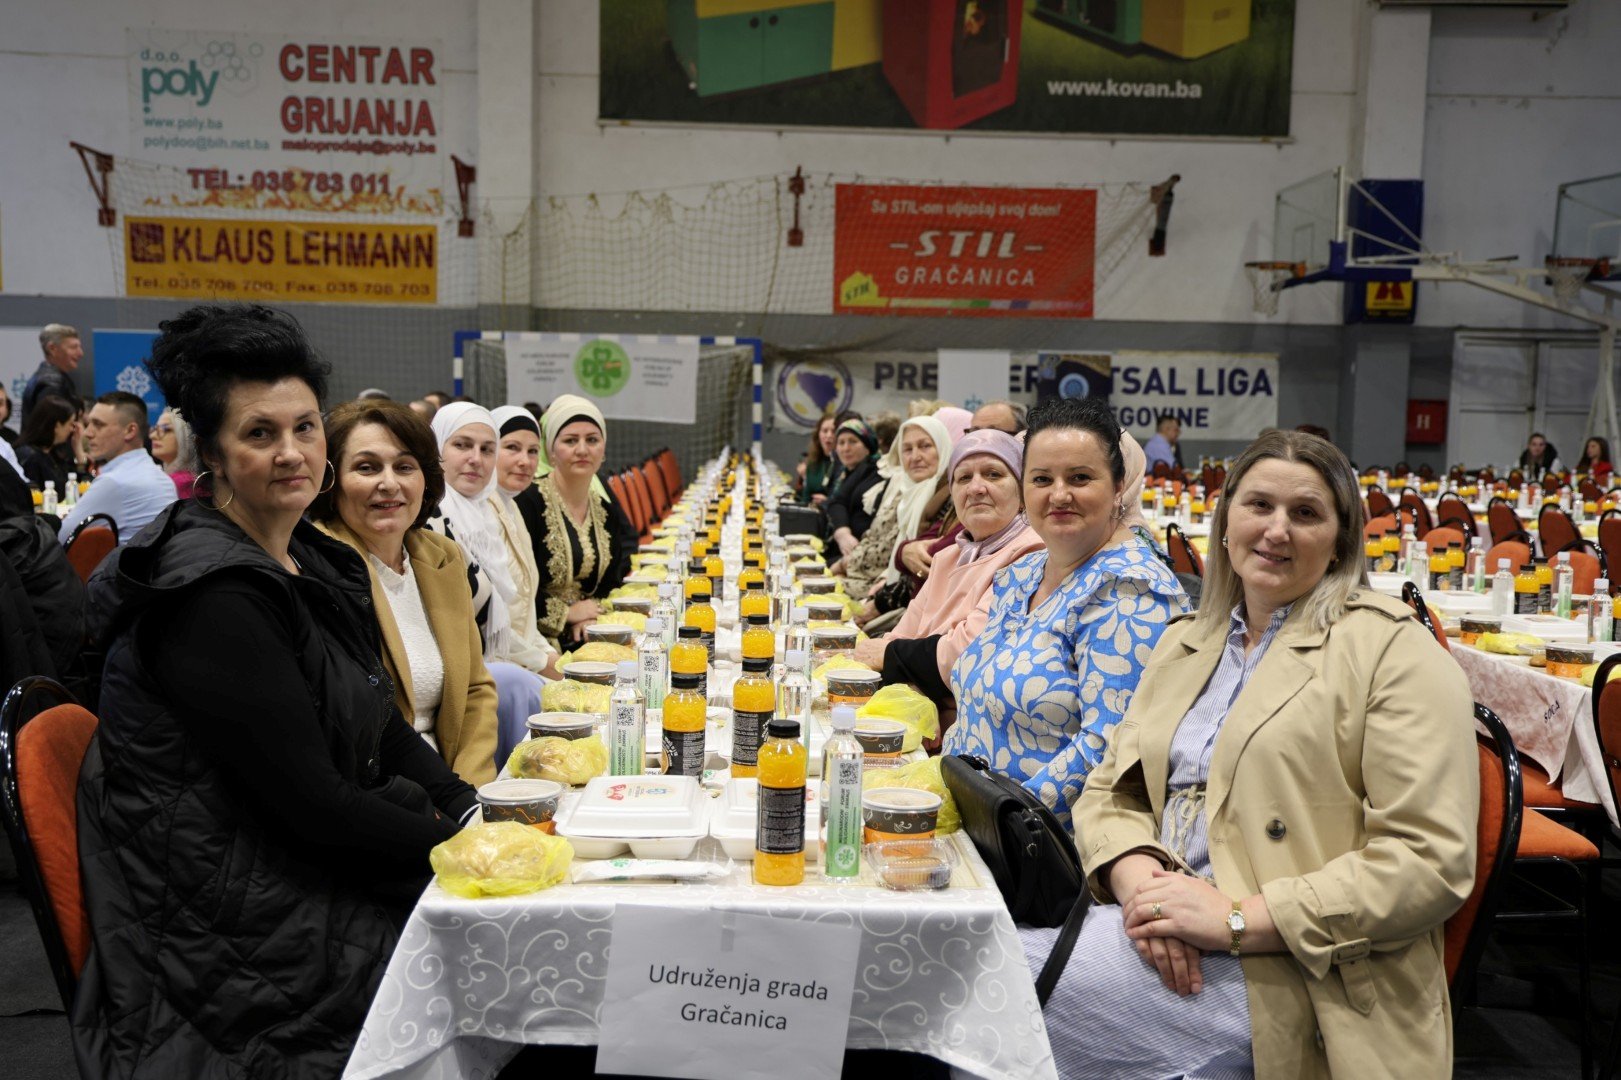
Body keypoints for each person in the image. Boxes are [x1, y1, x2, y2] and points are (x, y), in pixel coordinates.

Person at [73, 303, 478, 1077]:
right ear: (214, 458)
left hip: (286, 868)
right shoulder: (215, 595)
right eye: (260, 434)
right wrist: (470, 853)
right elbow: (315, 808)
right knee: (505, 967)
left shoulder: (305, 562)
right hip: (236, 933)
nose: (293, 453)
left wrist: (469, 806)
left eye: (304, 429)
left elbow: (379, 721)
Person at [1030, 429, 1478, 1079]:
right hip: (1157, 930)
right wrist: (1142, 886)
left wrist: (1233, 919)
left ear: (1340, 539)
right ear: (1225, 521)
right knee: (972, 982)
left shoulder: (1393, 654)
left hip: (1297, 968)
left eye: (1304, 514)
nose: (1276, 531)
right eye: (1258, 506)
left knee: (988, 993)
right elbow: (1109, 792)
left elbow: (1429, 862)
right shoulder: (1189, 641)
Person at [943, 396, 1189, 831]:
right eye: (1041, 478)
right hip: (975, 819)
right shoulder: (1022, 574)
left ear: (1118, 488)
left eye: (1080, 477)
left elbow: (1108, 748)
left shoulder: (1131, 590)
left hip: (1042, 848)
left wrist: (1005, 822)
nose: (1059, 495)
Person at [311, 399, 501, 786]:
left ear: (426, 479)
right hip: (383, 793)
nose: (389, 483)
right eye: (366, 467)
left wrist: (470, 793)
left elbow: (476, 691)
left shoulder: (442, 555)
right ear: (331, 480)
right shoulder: (319, 565)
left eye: (404, 467)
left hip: (454, 788)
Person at [854, 428, 1043, 726]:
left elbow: (967, 653)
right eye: (964, 478)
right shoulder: (948, 557)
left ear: (1022, 493)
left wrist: (892, 658)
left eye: (993, 474)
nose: (976, 488)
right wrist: (894, 661)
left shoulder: (1030, 553)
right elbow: (902, 633)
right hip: (920, 715)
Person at [425, 403, 551, 762]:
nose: (476, 459)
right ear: (436, 450)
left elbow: (520, 609)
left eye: (487, 449)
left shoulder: (486, 514)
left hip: (495, 667)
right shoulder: (433, 515)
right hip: (463, 677)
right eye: (462, 446)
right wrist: (544, 661)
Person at [516, 394, 636, 647]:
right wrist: (568, 615)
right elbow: (517, 587)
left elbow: (612, 580)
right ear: (552, 451)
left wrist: (589, 616)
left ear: (603, 449)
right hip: (533, 640)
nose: (582, 450)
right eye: (571, 441)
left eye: (592, 440)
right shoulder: (528, 502)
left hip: (588, 633)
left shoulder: (604, 510)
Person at [831, 415, 951, 600]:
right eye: (907, 449)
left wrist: (843, 566)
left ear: (942, 448)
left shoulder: (949, 498)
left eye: (925, 446)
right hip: (881, 584)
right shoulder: (903, 492)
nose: (915, 456)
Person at [58, 391, 175, 545]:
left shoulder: (114, 482)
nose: (87, 433)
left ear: (130, 431)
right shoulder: (163, 479)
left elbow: (63, 538)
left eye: (98, 424)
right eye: (89, 424)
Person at [825, 418, 885, 555]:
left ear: (867, 447)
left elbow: (838, 501)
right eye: (841, 443)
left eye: (853, 441)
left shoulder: (873, 471)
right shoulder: (845, 472)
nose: (846, 448)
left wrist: (842, 533)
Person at [13, 394, 77, 493]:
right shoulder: (30, 458)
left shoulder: (53, 453)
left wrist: (79, 451)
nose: (73, 429)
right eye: (71, 424)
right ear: (57, 426)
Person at [21, 323, 81, 423]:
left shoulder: (47, 378)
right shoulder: (51, 382)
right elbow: (51, 427)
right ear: (52, 348)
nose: (80, 353)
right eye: (74, 347)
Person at [150, 407, 200, 498]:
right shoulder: (170, 480)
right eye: (155, 429)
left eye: (166, 430)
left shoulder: (183, 484)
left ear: (185, 436)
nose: (153, 436)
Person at [796, 413, 838, 505]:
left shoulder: (842, 464)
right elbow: (805, 497)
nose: (829, 435)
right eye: (825, 431)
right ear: (818, 435)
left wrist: (827, 502)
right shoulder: (812, 461)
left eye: (833, 431)